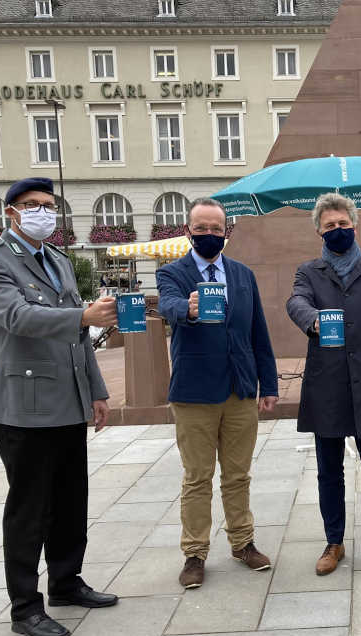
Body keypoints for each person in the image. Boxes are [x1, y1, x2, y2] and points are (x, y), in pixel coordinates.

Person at [0, 177, 119, 636]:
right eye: (32, 205)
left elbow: (79, 340)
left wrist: (96, 390)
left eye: (49, 206)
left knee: (71, 502)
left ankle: (66, 582)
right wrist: (84, 316)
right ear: (11, 211)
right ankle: (25, 607)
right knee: (29, 509)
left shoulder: (57, 259)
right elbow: (16, 317)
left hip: (69, 402)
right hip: (25, 409)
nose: (43, 213)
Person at [157, 198, 279, 589]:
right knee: (197, 477)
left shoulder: (242, 275)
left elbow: (258, 331)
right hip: (194, 393)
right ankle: (195, 553)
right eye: (202, 228)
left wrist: (269, 384)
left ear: (227, 232)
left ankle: (243, 543)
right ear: (188, 230)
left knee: (238, 475)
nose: (209, 234)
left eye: (216, 229)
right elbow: (169, 306)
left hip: (240, 389)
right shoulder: (172, 273)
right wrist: (188, 309)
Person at [286, 193, 361, 577]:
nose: (336, 230)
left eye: (342, 224)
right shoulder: (309, 271)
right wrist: (315, 319)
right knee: (328, 470)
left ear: (354, 225)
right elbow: (295, 302)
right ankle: (333, 541)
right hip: (329, 385)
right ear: (319, 231)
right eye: (329, 226)